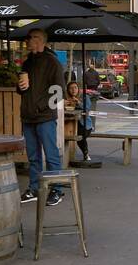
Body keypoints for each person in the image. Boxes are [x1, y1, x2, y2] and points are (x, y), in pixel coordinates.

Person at [17, 28, 66, 206]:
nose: (28, 41)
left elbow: (59, 92)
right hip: (28, 116)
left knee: (51, 154)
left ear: (41, 41)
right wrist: (21, 86)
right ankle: (34, 188)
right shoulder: (28, 63)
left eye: (32, 38)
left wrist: (41, 107)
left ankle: (57, 189)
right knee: (33, 156)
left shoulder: (53, 62)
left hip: (44, 116)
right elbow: (22, 90)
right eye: (28, 38)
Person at [65, 79, 93, 161]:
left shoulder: (84, 97)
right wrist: (64, 103)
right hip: (71, 124)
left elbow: (87, 108)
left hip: (85, 124)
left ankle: (86, 154)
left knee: (80, 136)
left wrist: (78, 102)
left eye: (75, 88)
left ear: (78, 89)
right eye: (71, 88)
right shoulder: (67, 98)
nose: (73, 90)